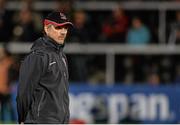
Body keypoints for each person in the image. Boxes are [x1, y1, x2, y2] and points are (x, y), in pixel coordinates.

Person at [16, 11, 73, 124]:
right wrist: (22, 119)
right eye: (58, 27)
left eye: (66, 28)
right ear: (47, 29)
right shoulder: (37, 56)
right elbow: (24, 93)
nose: (63, 32)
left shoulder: (61, 56)